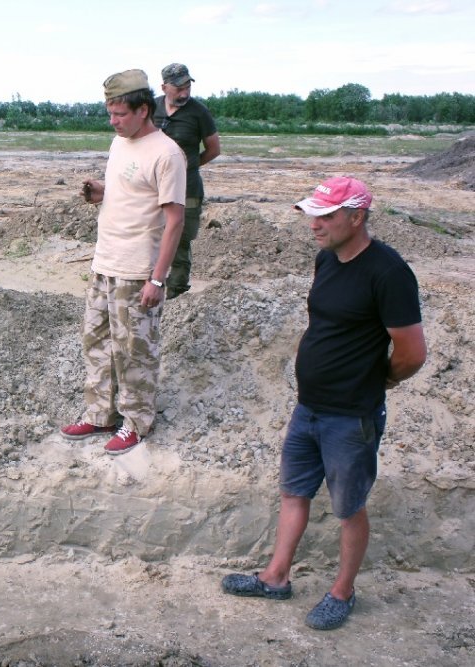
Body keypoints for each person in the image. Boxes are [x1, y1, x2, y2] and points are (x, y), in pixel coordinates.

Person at [221, 177, 427, 631]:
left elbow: (412, 352)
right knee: (294, 492)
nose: (315, 225)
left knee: (348, 506)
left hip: (351, 417)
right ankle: (276, 577)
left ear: (357, 217)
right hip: (308, 407)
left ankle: (343, 592)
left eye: (326, 216)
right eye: (312, 215)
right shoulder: (327, 259)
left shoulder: (388, 272)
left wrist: (381, 380)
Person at [59, 69, 186, 456]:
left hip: (137, 270)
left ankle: (137, 421)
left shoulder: (167, 153)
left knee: (134, 350)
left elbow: (175, 219)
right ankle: (100, 413)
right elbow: (126, 191)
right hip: (104, 262)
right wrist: (101, 192)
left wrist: (158, 280)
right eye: (110, 113)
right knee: (96, 343)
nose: (113, 121)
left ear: (143, 109)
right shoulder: (119, 143)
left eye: (119, 114)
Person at [152, 63, 221, 299]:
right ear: (164, 87)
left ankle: (177, 294)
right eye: (178, 87)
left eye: (187, 86)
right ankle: (151, 286)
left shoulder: (198, 112)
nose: (184, 92)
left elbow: (213, 149)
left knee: (180, 241)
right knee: (151, 236)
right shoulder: (152, 108)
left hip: (187, 190)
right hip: (154, 189)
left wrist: (186, 167)